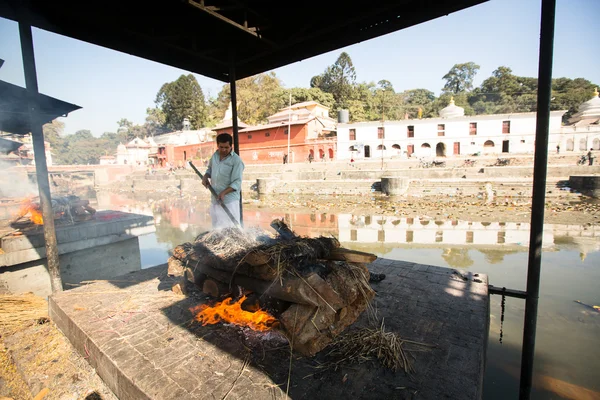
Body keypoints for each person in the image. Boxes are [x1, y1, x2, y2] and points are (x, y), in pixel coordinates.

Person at [202, 133, 245, 229]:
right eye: (221, 147)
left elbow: (237, 182)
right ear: (217, 146)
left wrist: (224, 193)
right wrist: (206, 176)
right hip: (215, 198)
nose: (224, 150)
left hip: (229, 202)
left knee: (230, 230)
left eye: (227, 147)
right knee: (217, 229)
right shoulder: (215, 156)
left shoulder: (236, 161)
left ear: (231, 146)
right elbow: (210, 169)